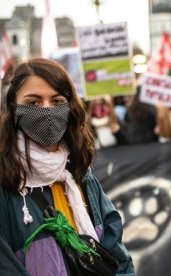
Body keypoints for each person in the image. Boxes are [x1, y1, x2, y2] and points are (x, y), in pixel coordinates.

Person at [0, 58, 134, 275]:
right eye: (33, 102)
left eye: (57, 101)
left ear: (70, 107)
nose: (46, 110)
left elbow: (116, 255)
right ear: (14, 108)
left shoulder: (81, 175)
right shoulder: (6, 180)